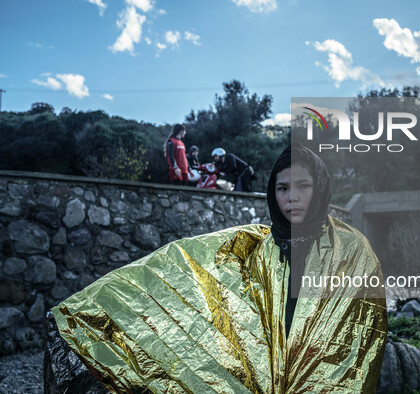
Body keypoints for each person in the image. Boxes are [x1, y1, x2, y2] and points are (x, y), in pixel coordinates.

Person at [49, 144, 387, 393]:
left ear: (321, 187)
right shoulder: (258, 245)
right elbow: (189, 263)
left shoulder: (352, 250)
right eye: (283, 189)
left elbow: (358, 338)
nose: (291, 198)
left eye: (302, 186)